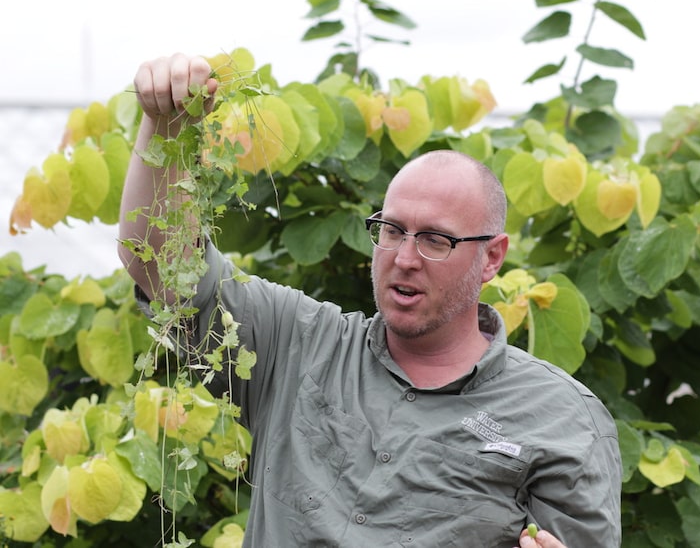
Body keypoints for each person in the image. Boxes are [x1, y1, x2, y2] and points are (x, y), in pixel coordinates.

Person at [119, 53, 622, 548]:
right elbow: (164, 269)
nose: (404, 257)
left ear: (491, 258)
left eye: (435, 240)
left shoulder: (563, 417)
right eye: (392, 230)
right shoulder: (297, 342)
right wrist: (166, 126)